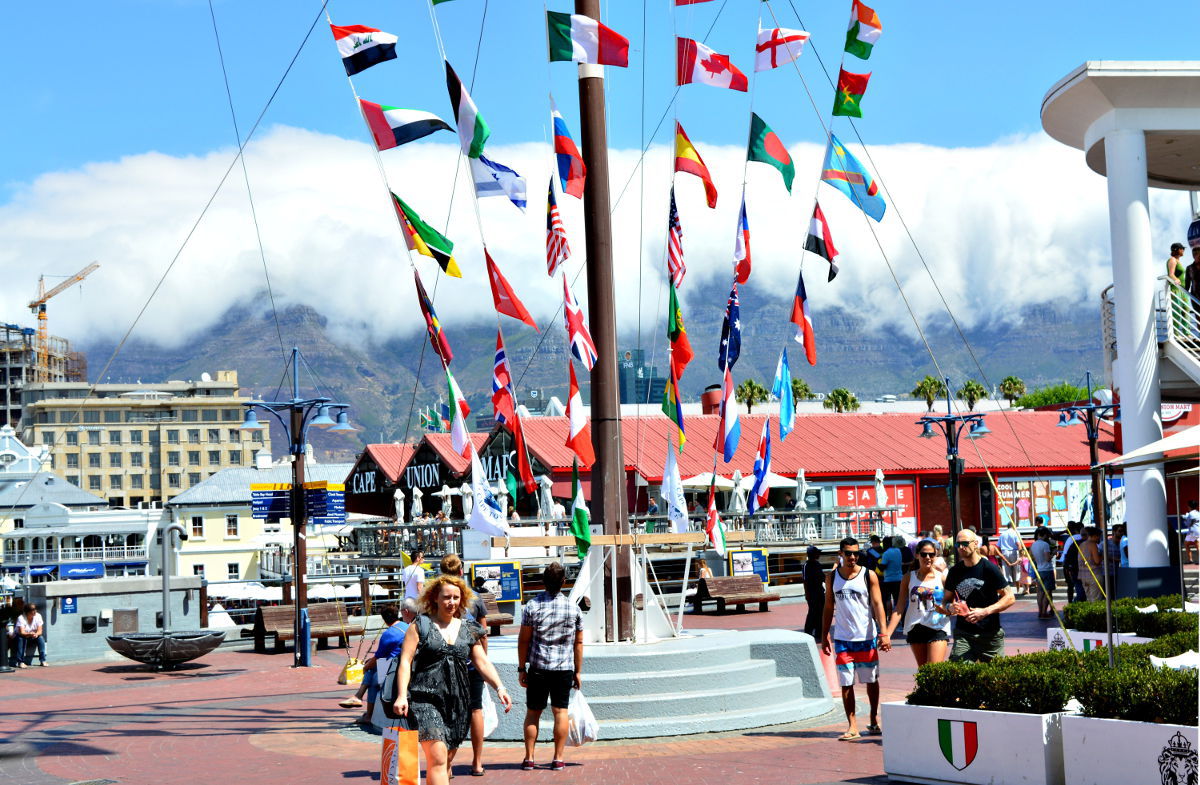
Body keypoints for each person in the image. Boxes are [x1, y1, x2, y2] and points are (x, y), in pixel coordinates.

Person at [395, 575, 512, 785]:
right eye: (447, 597)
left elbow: (482, 663)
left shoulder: (468, 628)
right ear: (435, 598)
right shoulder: (420, 625)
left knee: (443, 761)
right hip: (425, 700)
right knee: (438, 757)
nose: (451, 602)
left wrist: (500, 687)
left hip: (457, 702)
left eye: (456, 597)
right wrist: (402, 695)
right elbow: (405, 661)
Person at [821, 537, 890, 741]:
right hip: (843, 639)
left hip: (866, 637)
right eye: (848, 553)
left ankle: (873, 718)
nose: (852, 557)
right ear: (840, 554)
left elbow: (878, 604)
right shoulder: (832, 578)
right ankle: (852, 725)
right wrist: (824, 634)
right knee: (846, 682)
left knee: (871, 680)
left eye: (856, 553)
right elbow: (828, 607)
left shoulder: (868, 576)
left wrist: (883, 633)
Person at [517, 562, 583, 771]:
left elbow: (524, 640)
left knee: (533, 713)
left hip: (538, 667)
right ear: (564, 582)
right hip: (563, 668)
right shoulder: (574, 608)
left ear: (543, 581)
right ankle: (558, 758)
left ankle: (529, 758)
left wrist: (521, 668)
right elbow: (578, 643)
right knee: (560, 712)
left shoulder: (532, 606)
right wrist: (578, 671)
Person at [440, 554, 489, 777]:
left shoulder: (438, 599)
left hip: (447, 665)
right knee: (476, 710)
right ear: (462, 572)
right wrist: (483, 664)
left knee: (449, 713)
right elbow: (483, 635)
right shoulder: (475, 598)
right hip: (472, 665)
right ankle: (477, 763)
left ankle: (447, 765)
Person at [944, 529, 1014, 662]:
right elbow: (945, 601)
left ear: (975, 543)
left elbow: (1010, 597)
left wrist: (985, 611)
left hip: (990, 634)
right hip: (964, 634)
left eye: (965, 543)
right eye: (958, 544)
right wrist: (950, 607)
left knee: (996, 677)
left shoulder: (989, 568)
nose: (961, 547)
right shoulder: (954, 572)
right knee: (960, 673)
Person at [340, 601, 416, 717]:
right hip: (403, 663)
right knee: (373, 671)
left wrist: (364, 668)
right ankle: (359, 699)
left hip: (394, 668)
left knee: (372, 676)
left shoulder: (389, 633)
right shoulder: (406, 626)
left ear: (384, 619)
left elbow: (377, 658)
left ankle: (366, 711)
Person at [885, 539, 951, 667]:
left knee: (934, 671)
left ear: (935, 555)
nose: (928, 558)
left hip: (937, 627)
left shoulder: (942, 578)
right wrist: (887, 634)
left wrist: (948, 609)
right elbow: (899, 608)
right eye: (924, 554)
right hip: (916, 628)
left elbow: (950, 604)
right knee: (924, 672)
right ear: (917, 555)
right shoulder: (908, 578)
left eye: (931, 555)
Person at [1029, 526, 1057, 619]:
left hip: (1039, 569)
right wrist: (1053, 554)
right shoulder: (1045, 545)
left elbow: (1032, 557)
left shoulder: (1033, 545)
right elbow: (1047, 558)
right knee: (1047, 592)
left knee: (1040, 592)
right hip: (1047, 569)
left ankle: (1040, 611)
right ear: (1044, 534)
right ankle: (1044, 612)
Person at [802, 545, 826, 638]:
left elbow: (822, 577)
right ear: (813, 554)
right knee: (812, 612)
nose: (819, 554)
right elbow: (805, 581)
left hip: (820, 591)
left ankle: (819, 631)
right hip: (811, 593)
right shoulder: (806, 565)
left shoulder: (818, 564)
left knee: (821, 611)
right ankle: (808, 631)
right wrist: (807, 593)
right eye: (817, 553)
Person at [1059, 520, 1085, 602]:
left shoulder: (1070, 539)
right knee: (1082, 585)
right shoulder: (1085, 538)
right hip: (1082, 565)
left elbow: (1066, 554)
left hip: (1070, 566)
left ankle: (1071, 602)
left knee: (1071, 585)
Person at [877, 537, 904, 616]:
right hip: (899, 578)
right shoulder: (898, 551)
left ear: (885, 544)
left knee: (887, 599)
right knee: (898, 600)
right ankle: (900, 617)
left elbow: (882, 567)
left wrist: (877, 562)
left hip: (888, 579)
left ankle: (889, 616)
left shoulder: (886, 553)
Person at [1167, 242, 1190, 333]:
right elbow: (1171, 274)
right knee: (1177, 311)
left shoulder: (1178, 261)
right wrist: (1175, 279)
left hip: (1182, 290)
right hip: (1176, 289)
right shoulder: (1172, 260)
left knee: (1186, 310)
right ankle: (1175, 333)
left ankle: (1186, 333)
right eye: (1182, 249)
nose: (1183, 250)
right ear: (1177, 249)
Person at [1078, 527, 1105, 601]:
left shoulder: (1082, 545)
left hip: (1083, 575)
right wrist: (1103, 556)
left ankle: (1090, 612)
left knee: (1089, 598)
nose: (1099, 538)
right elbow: (1097, 561)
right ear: (1095, 535)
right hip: (1094, 575)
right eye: (1099, 536)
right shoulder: (1093, 544)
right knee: (1096, 599)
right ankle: (1094, 613)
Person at [16, 603, 46, 668]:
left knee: (40, 638)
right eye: (33, 610)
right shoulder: (21, 618)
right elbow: (22, 632)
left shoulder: (38, 616)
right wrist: (30, 634)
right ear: (27, 612)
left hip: (32, 636)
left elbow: (40, 631)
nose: (35, 611)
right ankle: (20, 662)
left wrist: (36, 634)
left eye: (35, 609)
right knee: (21, 638)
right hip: (21, 636)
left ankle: (43, 660)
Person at [997, 524, 1023, 588]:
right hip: (1014, 552)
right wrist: (1021, 556)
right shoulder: (1016, 533)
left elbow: (998, 546)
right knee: (1016, 568)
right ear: (1014, 526)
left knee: (1006, 568)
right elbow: (1019, 545)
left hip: (1005, 552)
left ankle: (1008, 583)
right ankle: (1016, 583)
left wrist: (1000, 554)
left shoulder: (1002, 534)